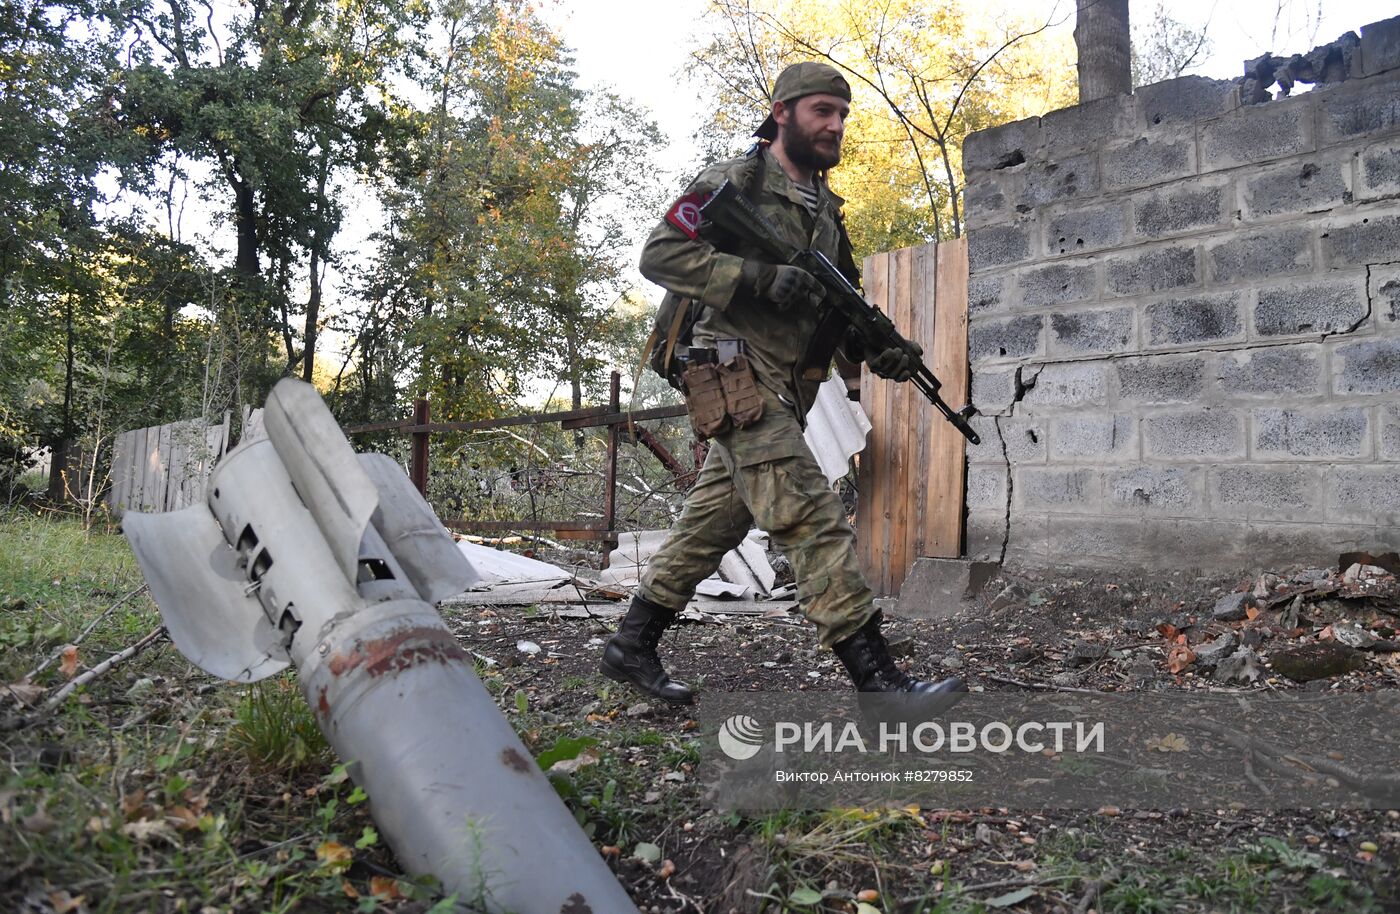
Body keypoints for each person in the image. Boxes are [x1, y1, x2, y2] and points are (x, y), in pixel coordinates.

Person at [599, 62, 966, 705]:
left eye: (843, 114)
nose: (835, 125)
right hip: (734, 374)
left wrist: (882, 351)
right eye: (822, 110)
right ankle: (879, 687)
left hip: (787, 389)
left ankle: (631, 644)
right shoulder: (732, 183)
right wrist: (755, 278)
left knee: (713, 524)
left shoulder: (826, 210)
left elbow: (839, 305)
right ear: (783, 113)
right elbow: (658, 255)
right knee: (809, 515)